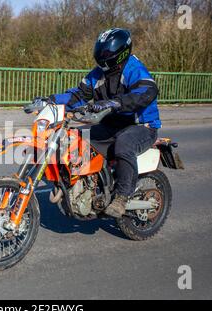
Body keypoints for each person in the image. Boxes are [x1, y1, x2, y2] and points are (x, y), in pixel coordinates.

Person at [39, 28, 161, 218]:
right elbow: (77, 95)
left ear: (120, 53)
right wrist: (50, 100)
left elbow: (147, 92)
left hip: (141, 127)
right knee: (75, 137)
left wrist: (115, 103)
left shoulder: (133, 69)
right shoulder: (98, 74)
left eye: (107, 56)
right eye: (101, 54)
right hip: (112, 125)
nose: (103, 60)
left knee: (124, 144)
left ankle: (122, 197)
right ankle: (86, 183)